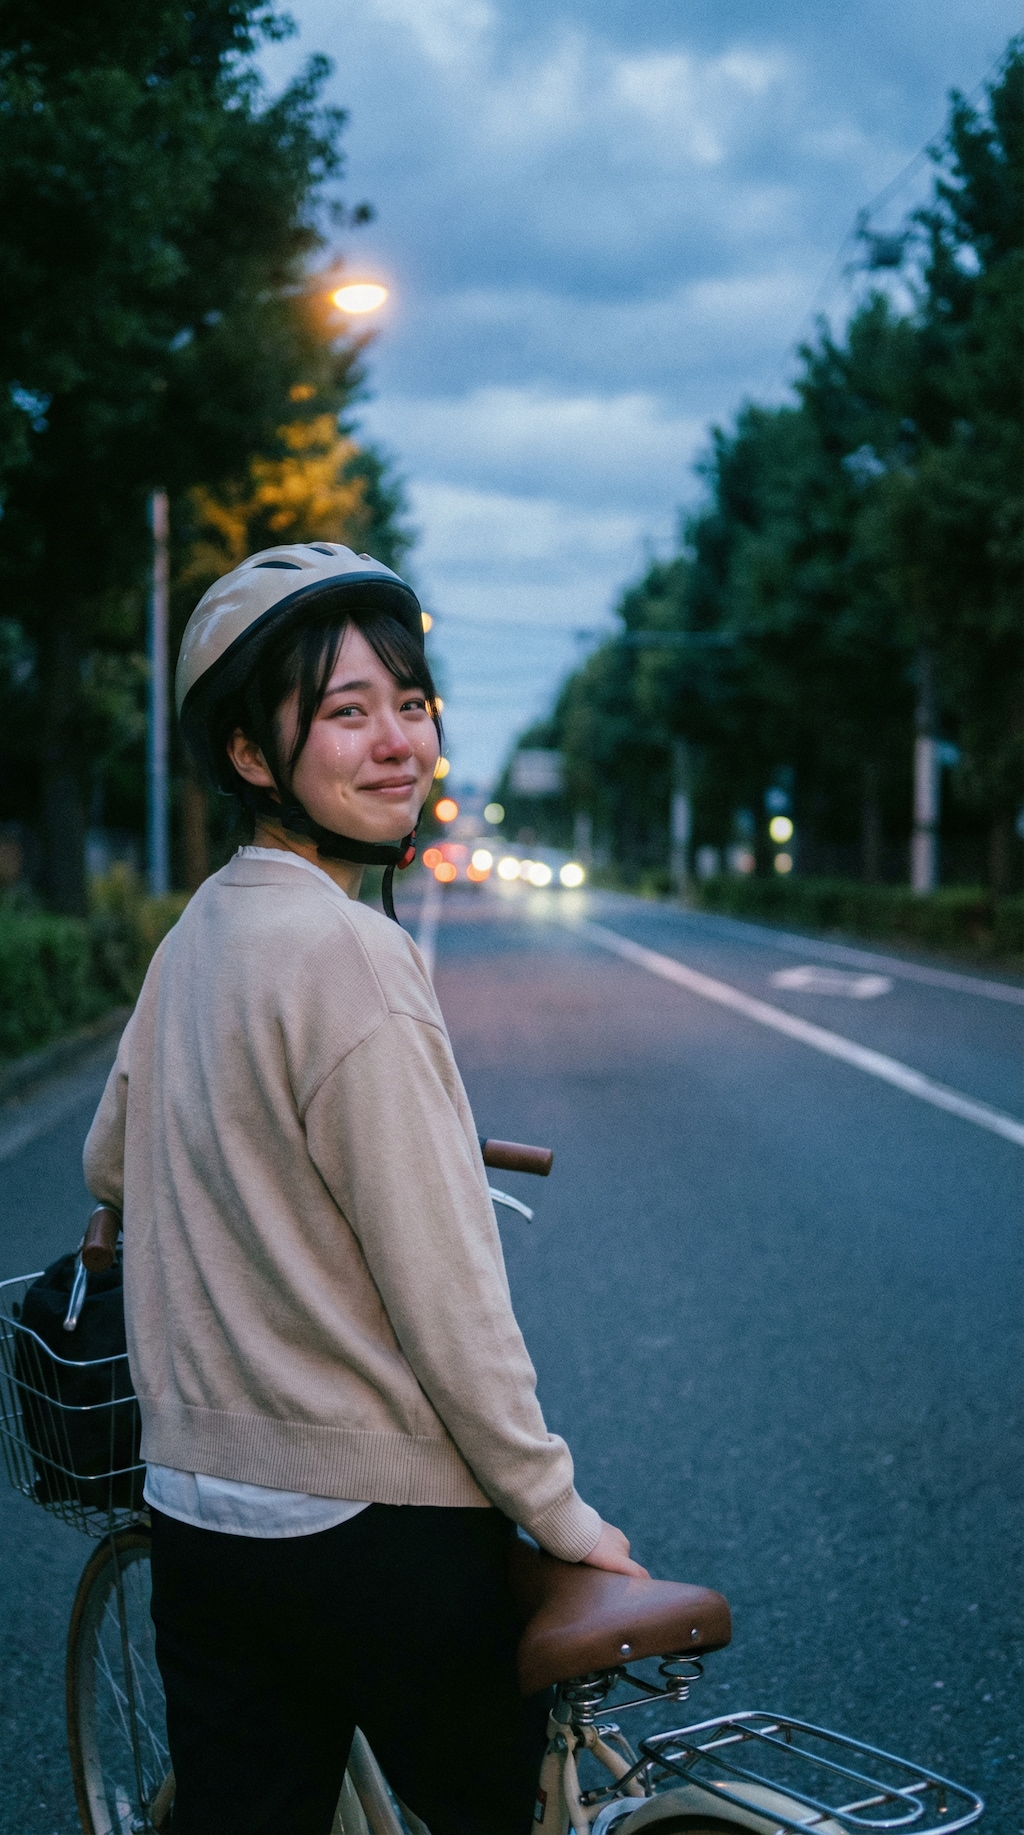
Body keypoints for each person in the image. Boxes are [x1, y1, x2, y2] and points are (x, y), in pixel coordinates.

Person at [83, 542, 646, 1835]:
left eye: (411, 702)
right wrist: (559, 1515)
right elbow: (451, 1305)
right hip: (369, 1531)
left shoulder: (198, 935)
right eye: (346, 713)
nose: (399, 742)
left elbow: (109, 1160)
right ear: (248, 753)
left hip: (200, 1522)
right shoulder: (360, 958)